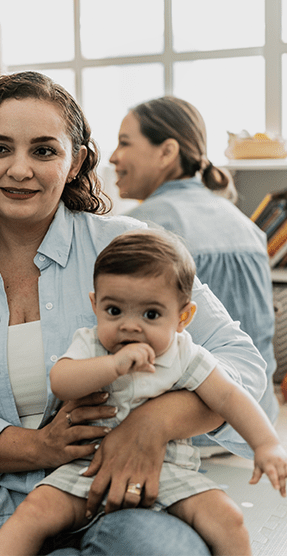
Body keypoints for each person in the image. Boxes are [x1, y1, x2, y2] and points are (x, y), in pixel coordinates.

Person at [0, 70, 269, 554]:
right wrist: (38, 448)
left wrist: (153, 423)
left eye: (44, 150)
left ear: (75, 163)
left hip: (124, 499)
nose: (20, 169)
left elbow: (244, 365)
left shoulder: (126, 244)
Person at [0, 229, 287, 556]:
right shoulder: (92, 343)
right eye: (114, 311)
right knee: (31, 514)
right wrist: (111, 366)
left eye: (151, 314)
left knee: (229, 519)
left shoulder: (185, 354)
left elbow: (230, 398)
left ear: (183, 317)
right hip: (86, 469)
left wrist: (267, 445)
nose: (130, 326)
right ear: (95, 304)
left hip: (168, 471)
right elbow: (61, 380)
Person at [110, 96, 280, 440]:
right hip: (255, 419)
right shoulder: (243, 222)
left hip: (190, 432)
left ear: (167, 152)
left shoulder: (141, 226)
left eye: (124, 143)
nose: (113, 156)